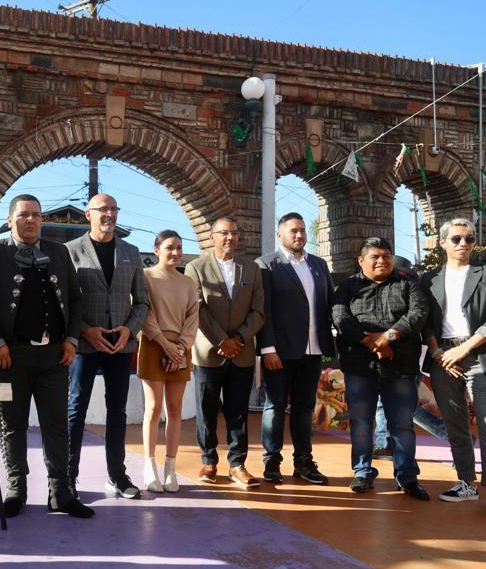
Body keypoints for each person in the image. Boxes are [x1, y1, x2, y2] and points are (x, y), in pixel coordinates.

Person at [0, 194, 93, 519]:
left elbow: (75, 298)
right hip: (11, 355)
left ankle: (61, 492)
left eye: (35, 215)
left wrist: (72, 340)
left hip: (54, 356)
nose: (30, 221)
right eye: (23, 215)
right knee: (12, 425)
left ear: (42, 220)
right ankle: (16, 489)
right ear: (10, 220)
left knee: (57, 425)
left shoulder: (58, 251)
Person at [421, 218, 486, 521]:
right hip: (443, 359)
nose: (463, 244)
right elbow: (425, 321)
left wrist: (462, 350)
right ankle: (467, 482)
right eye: (456, 239)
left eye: (469, 238)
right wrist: (439, 353)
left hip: (479, 355)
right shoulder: (428, 279)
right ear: (442, 243)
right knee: (455, 424)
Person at [331, 237, 429, 500]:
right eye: (374, 256)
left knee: (402, 424)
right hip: (359, 366)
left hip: (400, 366)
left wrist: (389, 337)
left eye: (386, 255)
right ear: (361, 260)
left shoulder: (408, 283)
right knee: (361, 422)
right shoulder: (348, 287)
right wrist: (371, 341)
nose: (381, 261)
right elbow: (340, 316)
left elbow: (418, 313)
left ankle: (407, 477)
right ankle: (362, 471)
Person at [65, 193, 149, 499]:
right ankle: (67, 478)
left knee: (118, 412)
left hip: (120, 346)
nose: (109, 214)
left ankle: (117, 475)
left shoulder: (131, 252)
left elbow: (142, 302)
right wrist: (86, 331)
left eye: (114, 208)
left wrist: (130, 329)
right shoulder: (70, 252)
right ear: (88, 214)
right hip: (85, 346)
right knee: (76, 410)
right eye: (103, 209)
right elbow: (64, 304)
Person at [184, 217, 264, 489]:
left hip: (241, 352)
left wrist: (239, 338)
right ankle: (208, 461)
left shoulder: (251, 269)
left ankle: (237, 464)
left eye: (233, 232)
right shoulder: (196, 267)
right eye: (223, 233)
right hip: (209, 352)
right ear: (212, 236)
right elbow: (197, 308)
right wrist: (222, 340)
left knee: (238, 411)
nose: (229, 238)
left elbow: (259, 310)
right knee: (206, 410)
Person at [255, 212, 334, 485]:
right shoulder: (266, 265)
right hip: (279, 351)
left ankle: (303, 463)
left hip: (313, 350)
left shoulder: (319, 266)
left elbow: (329, 305)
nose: (299, 235)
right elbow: (262, 310)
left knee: (304, 408)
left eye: (302, 230)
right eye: (293, 231)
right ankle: (271, 462)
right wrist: (267, 348)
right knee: (275, 406)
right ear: (280, 234)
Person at [137, 230, 198, 492]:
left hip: (180, 350)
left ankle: (170, 469)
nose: (175, 252)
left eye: (179, 248)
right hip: (153, 345)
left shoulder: (188, 283)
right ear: (157, 250)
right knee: (153, 408)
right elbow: (144, 313)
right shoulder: (145, 277)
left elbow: (192, 319)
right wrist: (165, 345)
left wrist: (181, 348)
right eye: (170, 247)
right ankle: (149, 466)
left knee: (175, 410)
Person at [372, 255, 448, 458]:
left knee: (404, 406)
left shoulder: (411, 294)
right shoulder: (416, 291)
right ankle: (384, 443)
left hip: (408, 359)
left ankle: (452, 435)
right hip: (401, 358)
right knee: (393, 403)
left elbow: (411, 323)